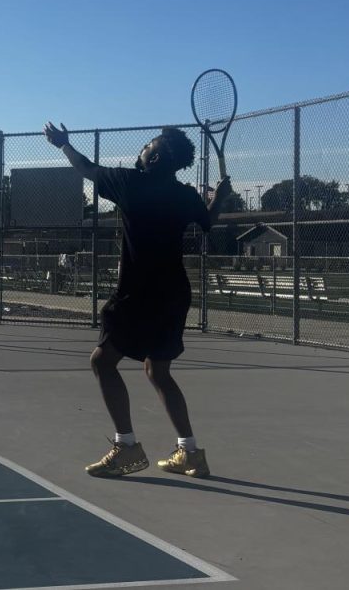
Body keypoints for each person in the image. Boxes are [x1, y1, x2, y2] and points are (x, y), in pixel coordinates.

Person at [43, 122, 232, 479]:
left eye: (147, 145)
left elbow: (85, 168)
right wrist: (218, 197)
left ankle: (126, 446)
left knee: (102, 362)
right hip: (175, 294)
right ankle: (190, 453)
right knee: (157, 369)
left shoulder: (130, 182)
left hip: (138, 293)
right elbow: (207, 221)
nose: (142, 149)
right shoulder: (184, 195)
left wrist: (64, 145)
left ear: (155, 156)